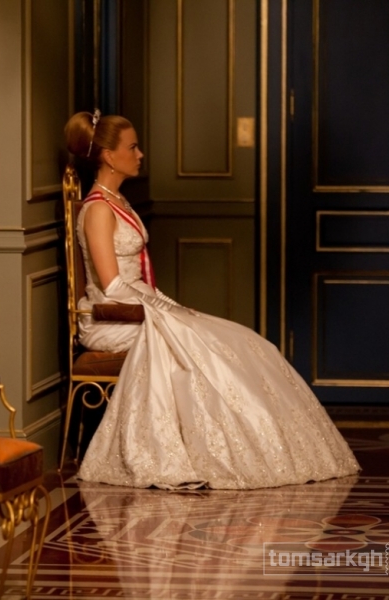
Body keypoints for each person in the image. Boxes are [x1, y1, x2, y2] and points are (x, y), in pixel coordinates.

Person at [64, 110, 361, 490]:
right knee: (199, 347)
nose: (140, 154)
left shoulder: (118, 200)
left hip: (140, 307)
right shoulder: (98, 209)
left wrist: (171, 308)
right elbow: (112, 286)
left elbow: (136, 283)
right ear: (109, 155)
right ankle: (204, 453)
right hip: (112, 317)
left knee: (243, 340)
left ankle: (264, 447)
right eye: (132, 147)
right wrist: (166, 312)